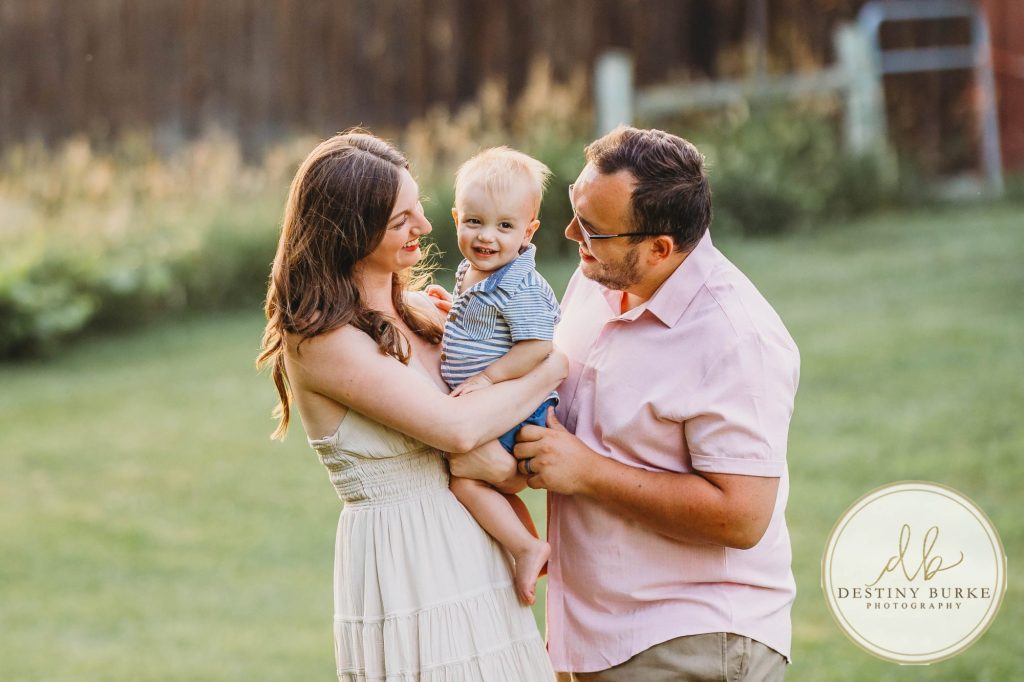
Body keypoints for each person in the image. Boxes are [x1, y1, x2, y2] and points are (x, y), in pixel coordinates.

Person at [257, 131, 562, 681]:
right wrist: (556, 368)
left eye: (419, 208)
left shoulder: (429, 309)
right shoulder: (322, 341)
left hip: (477, 555)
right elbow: (459, 428)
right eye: (401, 220)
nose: (424, 226)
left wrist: (506, 464)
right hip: (408, 567)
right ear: (351, 231)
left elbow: (496, 427)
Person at [513, 126, 800, 681]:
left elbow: (743, 516)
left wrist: (587, 471)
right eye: (576, 210)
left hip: (691, 638)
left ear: (659, 248)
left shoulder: (735, 337)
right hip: (594, 635)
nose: (571, 233)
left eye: (592, 230)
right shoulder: (597, 279)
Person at [435, 147, 560, 607]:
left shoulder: (518, 285)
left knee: (466, 480)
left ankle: (527, 546)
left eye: (505, 227)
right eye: (474, 222)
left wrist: (490, 378)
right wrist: (453, 312)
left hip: (515, 410)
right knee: (482, 480)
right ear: (456, 217)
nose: (487, 237)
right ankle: (528, 542)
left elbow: (537, 346)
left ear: (528, 231)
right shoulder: (476, 271)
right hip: (501, 407)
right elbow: (488, 327)